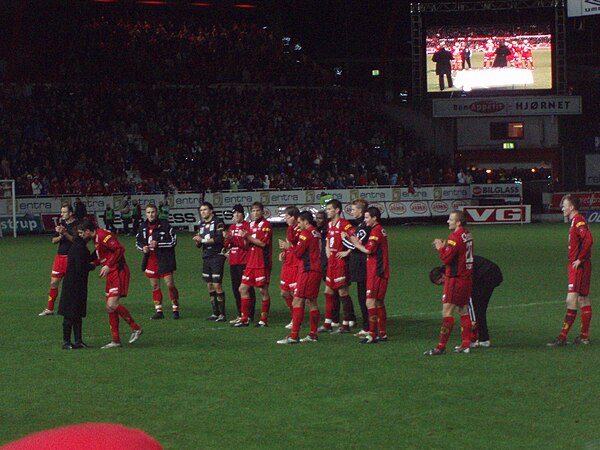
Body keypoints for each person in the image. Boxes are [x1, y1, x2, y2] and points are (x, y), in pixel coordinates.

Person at [78, 219, 142, 349]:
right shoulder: (95, 238)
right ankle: (115, 340)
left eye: (81, 233)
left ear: (88, 231)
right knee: (109, 307)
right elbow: (104, 255)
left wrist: (108, 265)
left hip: (118, 271)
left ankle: (136, 328)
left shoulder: (103, 236)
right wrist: (94, 264)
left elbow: (119, 249)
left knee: (112, 304)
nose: (81, 236)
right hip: (110, 273)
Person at [424, 210, 473, 355]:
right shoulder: (467, 234)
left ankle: (440, 347)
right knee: (463, 310)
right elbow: (458, 254)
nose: (448, 221)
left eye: (451, 219)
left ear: (458, 222)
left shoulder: (455, 237)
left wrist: (440, 248)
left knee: (447, 312)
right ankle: (466, 344)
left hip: (455, 279)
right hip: (466, 278)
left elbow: (446, 260)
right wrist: (446, 248)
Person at [548, 195, 593, 346]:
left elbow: (589, 239)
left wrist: (580, 258)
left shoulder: (578, 220)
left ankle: (562, 337)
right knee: (583, 299)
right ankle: (584, 337)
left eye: (564, 205)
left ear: (571, 207)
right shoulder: (575, 220)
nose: (562, 208)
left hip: (578, 266)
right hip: (581, 265)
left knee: (571, 300)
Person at [430, 255, 503, 348]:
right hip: (490, 273)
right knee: (479, 308)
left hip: (488, 274)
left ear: (442, 275)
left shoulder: (452, 272)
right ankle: (483, 339)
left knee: (473, 302)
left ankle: (474, 338)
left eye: (442, 282)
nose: (444, 284)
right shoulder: (451, 268)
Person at [277, 211, 322, 344]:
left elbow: (298, 253)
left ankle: (294, 336)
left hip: (307, 271)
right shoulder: (316, 232)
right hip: (316, 270)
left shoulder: (306, 233)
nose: (299, 225)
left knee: (297, 301)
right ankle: (313, 335)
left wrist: (288, 247)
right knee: (312, 302)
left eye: (300, 222)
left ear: (305, 221)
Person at [348, 206, 389, 344]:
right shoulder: (379, 230)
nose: (365, 220)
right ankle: (382, 333)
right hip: (380, 271)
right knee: (378, 302)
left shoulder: (376, 231)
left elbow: (368, 250)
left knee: (370, 301)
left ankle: (372, 334)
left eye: (367, 218)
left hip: (377, 272)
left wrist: (356, 243)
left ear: (374, 218)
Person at [317, 199, 355, 333]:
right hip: (331, 262)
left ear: (337, 210)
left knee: (343, 292)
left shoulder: (345, 224)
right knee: (328, 291)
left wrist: (348, 251)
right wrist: (327, 248)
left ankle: (346, 324)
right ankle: (328, 323)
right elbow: (328, 238)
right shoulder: (330, 225)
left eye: (329, 209)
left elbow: (356, 238)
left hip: (340, 263)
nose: (327, 211)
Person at [136, 204, 180, 320]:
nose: (151, 214)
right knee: (155, 286)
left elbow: (173, 241)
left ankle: (175, 309)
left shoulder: (165, 225)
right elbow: (138, 242)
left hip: (164, 259)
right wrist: (143, 248)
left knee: (170, 284)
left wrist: (158, 244)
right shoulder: (143, 226)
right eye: (149, 212)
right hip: (150, 260)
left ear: (157, 213)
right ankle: (159, 311)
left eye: (153, 212)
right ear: (146, 214)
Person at [234, 202, 273, 328]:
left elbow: (262, 243)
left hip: (262, 261)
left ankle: (264, 319)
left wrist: (248, 237)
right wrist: (245, 238)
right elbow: (246, 245)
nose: (255, 213)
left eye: (257, 210)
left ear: (262, 212)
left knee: (262, 290)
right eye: (253, 211)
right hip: (251, 261)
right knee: (242, 288)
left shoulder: (266, 225)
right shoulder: (250, 225)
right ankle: (244, 318)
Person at [39, 204, 79, 316]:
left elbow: (75, 240)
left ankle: (73, 308)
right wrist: (61, 235)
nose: (62, 214)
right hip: (59, 258)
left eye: (64, 212)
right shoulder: (62, 224)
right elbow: (53, 240)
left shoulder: (77, 225)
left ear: (70, 213)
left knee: (71, 285)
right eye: (61, 212)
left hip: (71, 258)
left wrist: (65, 233)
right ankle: (50, 308)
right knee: (53, 282)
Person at [58, 235, 95, 349]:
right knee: (71, 313)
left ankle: (76, 341)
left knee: (76, 313)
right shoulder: (79, 248)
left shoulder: (78, 246)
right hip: (74, 284)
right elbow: (80, 266)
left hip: (74, 284)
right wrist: (91, 266)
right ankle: (67, 342)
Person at [193, 202, 227, 321]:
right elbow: (199, 244)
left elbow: (219, 239)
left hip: (217, 256)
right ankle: (215, 313)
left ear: (211, 211)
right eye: (201, 210)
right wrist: (197, 242)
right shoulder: (201, 224)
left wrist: (202, 240)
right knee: (209, 285)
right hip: (206, 256)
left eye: (205, 209)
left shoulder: (218, 222)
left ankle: (222, 314)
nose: (203, 212)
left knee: (217, 284)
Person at [223, 204, 256, 324]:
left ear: (243, 214)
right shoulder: (231, 227)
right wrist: (226, 238)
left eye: (238, 213)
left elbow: (245, 244)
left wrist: (232, 239)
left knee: (247, 288)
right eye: (234, 213)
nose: (236, 215)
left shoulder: (247, 226)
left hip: (244, 261)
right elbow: (227, 244)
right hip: (233, 261)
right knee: (236, 288)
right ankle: (240, 313)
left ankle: (249, 314)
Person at [344, 199, 370, 337]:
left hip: (362, 266)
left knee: (363, 297)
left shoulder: (363, 226)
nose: (351, 211)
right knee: (363, 296)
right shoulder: (361, 225)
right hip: (360, 265)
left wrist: (343, 239)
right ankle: (368, 326)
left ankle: (368, 327)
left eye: (353, 209)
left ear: (361, 210)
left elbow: (356, 247)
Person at [278, 206, 301, 329]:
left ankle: (297, 319)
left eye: (287, 216)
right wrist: (284, 252)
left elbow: (298, 248)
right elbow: (289, 244)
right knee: (284, 292)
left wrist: (288, 247)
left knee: (299, 296)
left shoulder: (300, 229)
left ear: (293, 217)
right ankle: (295, 316)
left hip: (296, 265)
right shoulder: (290, 228)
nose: (285, 219)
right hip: (288, 264)